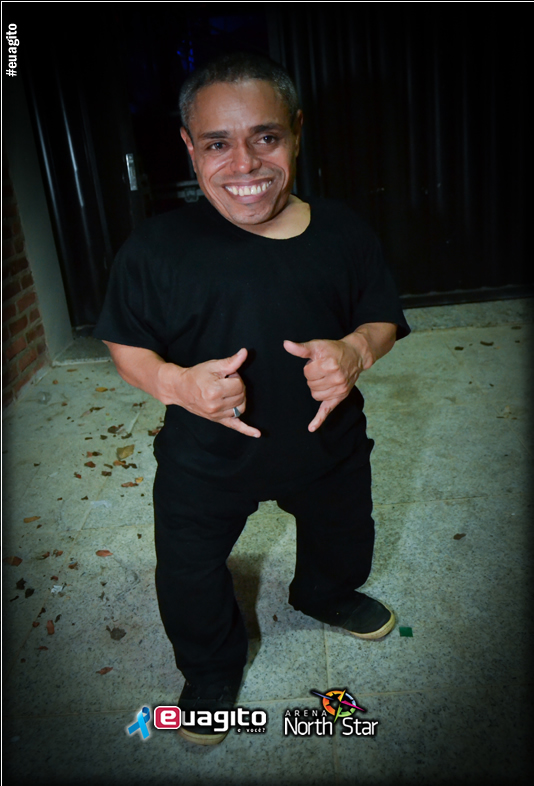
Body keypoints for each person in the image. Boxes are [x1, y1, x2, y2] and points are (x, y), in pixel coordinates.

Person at [94, 51, 410, 745]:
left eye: (265, 137)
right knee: (189, 571)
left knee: (344, 534)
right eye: (217, 144)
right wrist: (177, 384)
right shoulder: (155, 248)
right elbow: (124, 343)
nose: (245, 164)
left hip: (326, 445)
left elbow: (381, 317)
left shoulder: (343, 231)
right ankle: (211, 669)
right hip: (206, 456)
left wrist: (356, 350)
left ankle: (323, 594)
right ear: (189, 146)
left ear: (296, 132)